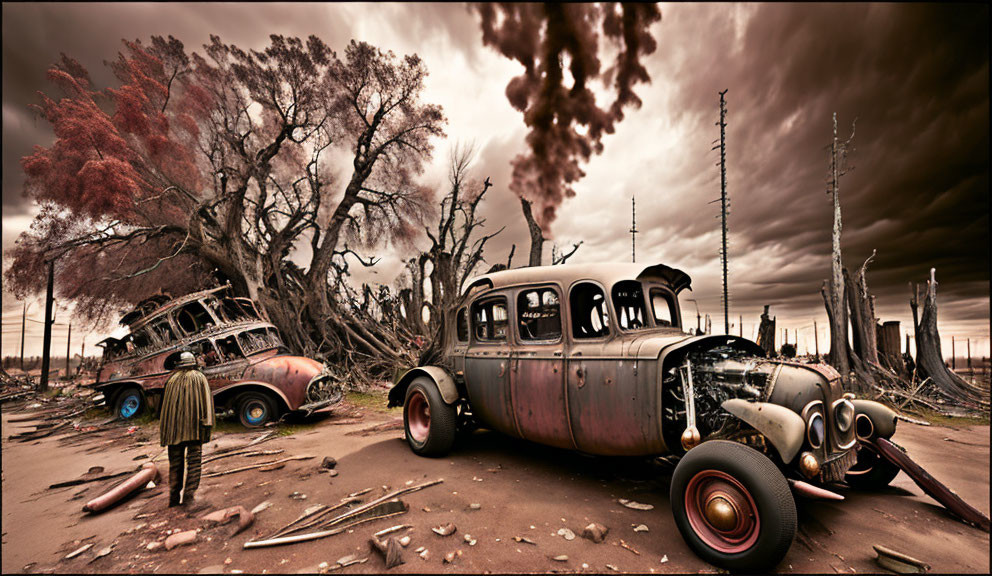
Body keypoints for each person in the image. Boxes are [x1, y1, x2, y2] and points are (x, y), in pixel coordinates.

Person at [159, 351, 214, 507]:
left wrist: (166, 432)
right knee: (194, 462)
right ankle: (189, 498)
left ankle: (173, 498)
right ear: (193, 363)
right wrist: (207, 426)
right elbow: (207, 405)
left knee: (175, 464)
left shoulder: (171, 380)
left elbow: (164, 410)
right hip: (194, 429)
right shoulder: (199, 378)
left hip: (173, 432)